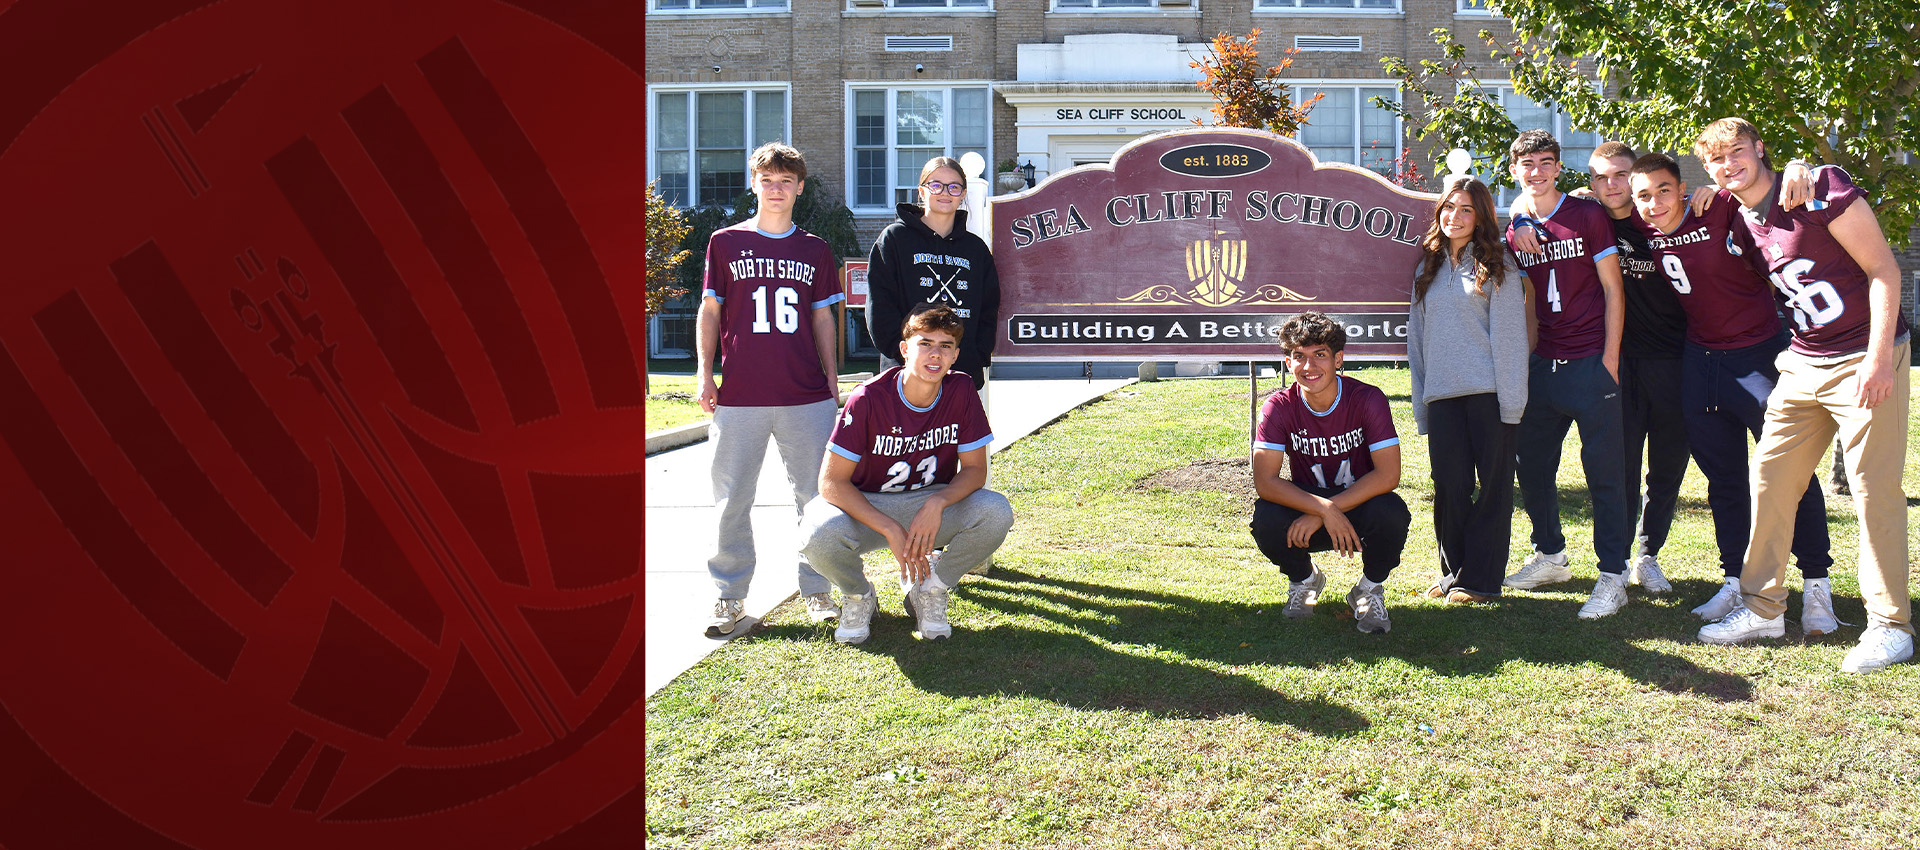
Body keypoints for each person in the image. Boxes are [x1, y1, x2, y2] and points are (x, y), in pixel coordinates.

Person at [1690, 118, 1912, 673]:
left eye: (1737, 152)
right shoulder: (1737, 215)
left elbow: (1884, 270)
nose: (1729, 166)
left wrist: (1879, 358)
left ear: (1760, 149)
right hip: (1805, 360)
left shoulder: (1821, 187)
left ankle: (1891, 625)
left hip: (1864, 353)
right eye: (1716, 161)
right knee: (1769, 476)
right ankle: (1764, 607)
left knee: (1871, 488)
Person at [1627, 152, 1836, 630]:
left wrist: (1799, 165)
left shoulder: (1716, 205)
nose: (1654, 202)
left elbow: (1763, 185)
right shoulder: (1641, 227)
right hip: (1701, 360)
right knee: (1723, 478)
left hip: (1758, 352)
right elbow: (1595, 209)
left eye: (1663, 190)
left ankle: (1817, 585)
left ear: (1682, 187)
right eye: (1644, 195)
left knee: (1792, 473)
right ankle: (1734, 580)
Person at [695, 141, 845, 637]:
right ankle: (728, 595)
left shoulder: (815, 249)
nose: (776, 189)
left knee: (816, 498)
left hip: (805, 394)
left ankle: (818, 588)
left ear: (799, 188)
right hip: (740, 395)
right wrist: (703, 374)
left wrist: (830, 377)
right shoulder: (725, 242)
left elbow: (823, 316)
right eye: (767, 180)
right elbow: (711, 311)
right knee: (732, 498)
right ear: (753, 184)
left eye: (786, 181)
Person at [800, 305, 1013, 644]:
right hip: (868, 506)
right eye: (925, 343)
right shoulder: (868, 397)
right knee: (816, 532)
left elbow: (975, 471)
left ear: (956, 355)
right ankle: (858, 595)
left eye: (945, 346)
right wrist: (889, 527)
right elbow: (830, 482)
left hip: (927, 501)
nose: (935, 354)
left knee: (995, 512)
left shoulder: (960, 391)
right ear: (904, 349)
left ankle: (930, 590)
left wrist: (938, 503)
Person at [1499, 129, 1633, 619]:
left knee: (1604, 473)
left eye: (1545, 162)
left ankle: (1613, 573)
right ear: (1514, 170)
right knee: (1531, 465)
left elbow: (1613, 290)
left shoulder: (1587, 214)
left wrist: (1611, 358)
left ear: (1559, 168)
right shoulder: (1516, 226)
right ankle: (1551, 556)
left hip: (1590, 361)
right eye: (1527, 163)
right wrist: (1516, 218)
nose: (1536, 171)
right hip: (1545, 363)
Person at [1407, 176, 1529, 603]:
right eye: (1448, 208)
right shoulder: (1428, 268)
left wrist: (1511, 405)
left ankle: (1480, 582)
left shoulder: (1498, 266)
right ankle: (1452, 574)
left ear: (1480, 218)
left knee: (1494, 489)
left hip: (1489, 395)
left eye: (1465, 210)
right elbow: (1416, 341)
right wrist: (1423, 403)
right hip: (1442, 396)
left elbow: (1511, 340)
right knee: (1450, 486)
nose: (1454, 217)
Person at [1250, 312, 1410, 633]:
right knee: (1265, 519)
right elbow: (1264, 482)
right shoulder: (1278, 405)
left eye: (1319, 355)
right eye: (1299, 357)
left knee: (1391, 512)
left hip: (1358, 507)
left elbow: (1388, 475)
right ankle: (1304, 580)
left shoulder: (1367, 398)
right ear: (1288, 361)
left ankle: (1369, 589)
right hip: (1309, 505)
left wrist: (1330, 509)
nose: (1309, 367)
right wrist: (1322, 509)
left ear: (1338, 359)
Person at [866, 156, 1001, 390]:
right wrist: (905, 357)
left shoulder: (976, 250)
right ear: (922, 191)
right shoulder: (894, 240)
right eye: (936, 185)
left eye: (954, 186)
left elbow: (989, 309)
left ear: (963, 194)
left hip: (961, 377)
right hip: (906, 377)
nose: (945, 192)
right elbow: (880, 306)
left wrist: (974, 356)